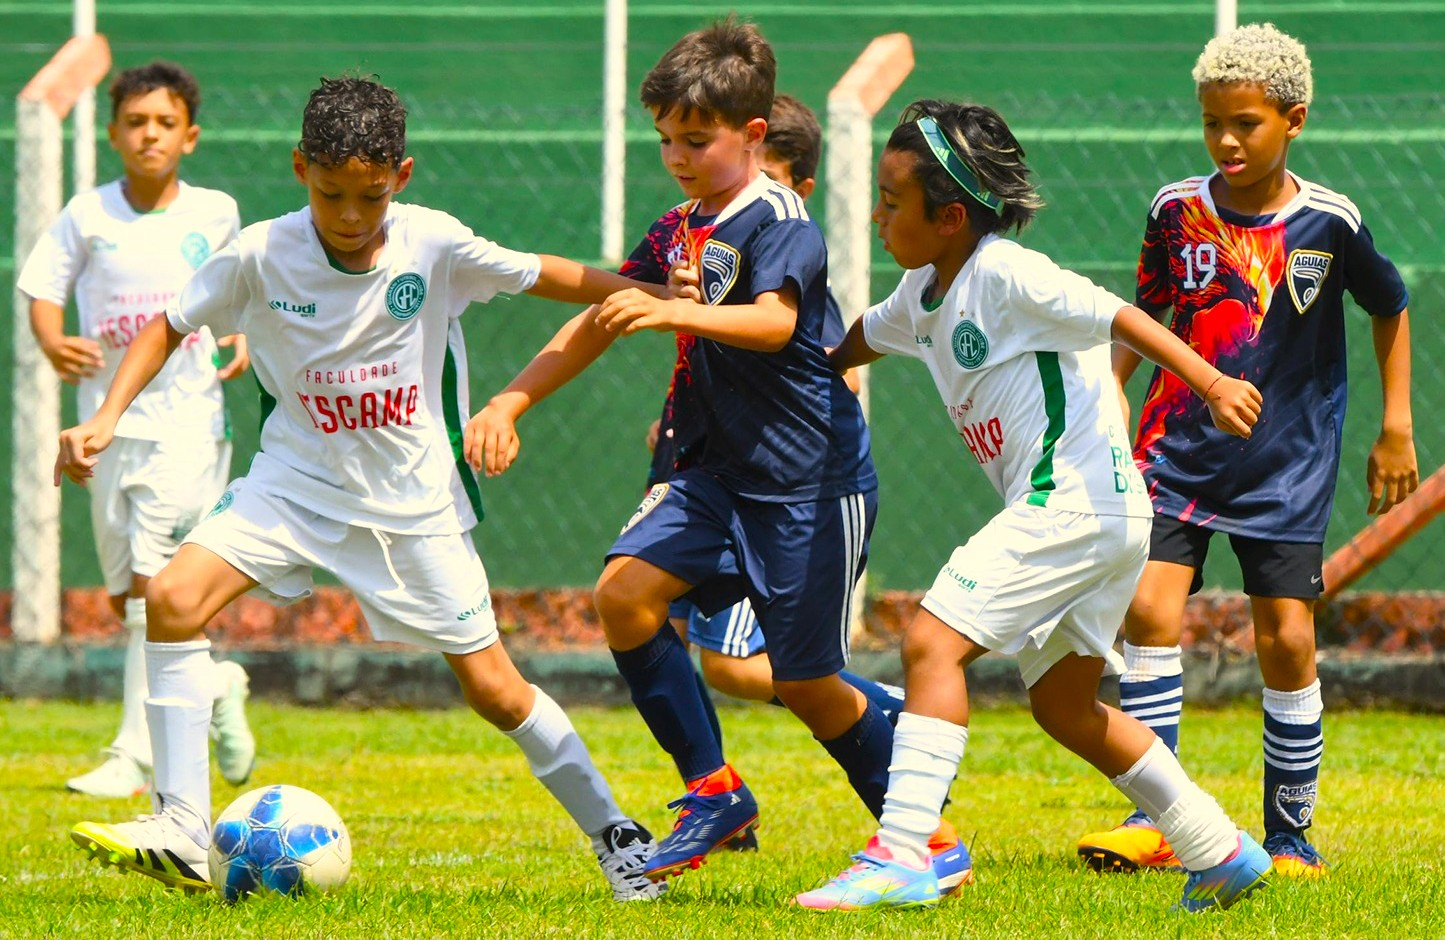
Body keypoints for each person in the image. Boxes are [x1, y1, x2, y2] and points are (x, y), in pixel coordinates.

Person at [57, 75, 678, 902]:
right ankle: (180, 825)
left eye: (371, 196)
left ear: (402, 177)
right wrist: (106, 416)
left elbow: (549, 275)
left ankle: (617, 836)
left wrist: (656, 296)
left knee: (495, 691)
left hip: (409, 506)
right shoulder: (259, 252)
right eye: (330, 194)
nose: (350, 215)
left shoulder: (433, 243)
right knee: (171, 600)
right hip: (293, 485)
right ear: (300, 170)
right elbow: (169, 325)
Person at [470, 19, 967, 892]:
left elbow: (774, 323)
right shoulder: (678, 228)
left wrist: (675, 311)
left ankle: (927, 840)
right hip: (713, 474)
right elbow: (604, 312)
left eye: (695, 140)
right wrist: (512, 400)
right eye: (665, 139)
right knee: (624, 596)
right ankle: (714, 790)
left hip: (808, 483)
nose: (676, 157)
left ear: (751, 134)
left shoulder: (780, 218)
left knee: (806, 685)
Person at [796, 99, 1272, 913]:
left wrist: (1212, 381)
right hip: (1107, 517)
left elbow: (1120, 316)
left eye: (891, 201)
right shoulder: (920, 292)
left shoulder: (1005, 273)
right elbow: (858, 340)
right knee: (1064, 707)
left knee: (931, 643)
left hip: (1070, 505)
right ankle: (1219, 851)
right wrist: (802, 361)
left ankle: (904, 852)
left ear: (949, 218)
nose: (876, 217)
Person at [1075, 23, 1415, 880]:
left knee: (1286, 640)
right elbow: (1146, 313)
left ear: (1292, 121)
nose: (1225, 141)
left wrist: (1395, 426)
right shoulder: (1173, 209)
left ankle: (1290, 837)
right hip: (1175, 450)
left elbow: (1389, 306)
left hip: (1285, 467)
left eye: (1245, 124)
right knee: (1148, 612)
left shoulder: (1328, 221)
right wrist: (1110, 390)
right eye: (1211, 124)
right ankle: (1157, 819)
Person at [17, 60, 255, 800]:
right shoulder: (87, 214)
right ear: (113, 134)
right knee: (128, 600)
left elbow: (239, 290)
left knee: (156, 587)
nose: (150, 134)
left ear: (190, 136)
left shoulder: (215, 212)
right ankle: (216, 682)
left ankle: (132, 754)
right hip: (107, 426)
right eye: (135, 122)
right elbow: (42, 287)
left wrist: (240, 331)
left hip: (187, 423)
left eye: (165, 123)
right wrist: (53, 341)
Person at [646, 93, 900, 718]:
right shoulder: (688, 231)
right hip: (694, 466)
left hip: (772, 480)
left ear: (798, 188)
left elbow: (831, 366)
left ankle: (896, 711)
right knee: (645, 613)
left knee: (736, 666)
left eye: (770, 176)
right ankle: (708, 771)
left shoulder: (784, 247)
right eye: (669, 140)